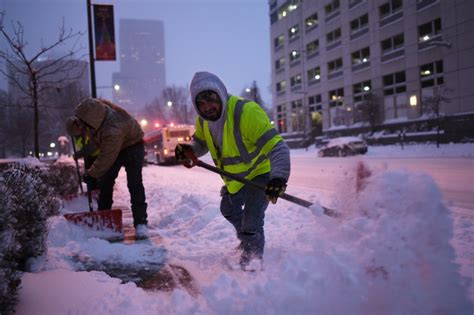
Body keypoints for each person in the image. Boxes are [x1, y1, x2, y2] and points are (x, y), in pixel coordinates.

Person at [175, 71, 290, 270]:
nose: (207, 107)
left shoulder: (245, 113)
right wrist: (190, 150)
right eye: (200, 104)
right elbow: (201, 142)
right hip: (236, 179)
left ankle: (252, 262)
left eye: (210, 99)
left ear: (220, 93)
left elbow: (278, 147)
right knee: (228, 209)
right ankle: (248, 239)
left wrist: (278, 178)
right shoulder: (203, 121)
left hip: (261, 174)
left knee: (252, 220)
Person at [74, 98, 149, 238]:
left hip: (133, 145)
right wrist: (81, 150)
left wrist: (91, 174)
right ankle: (104, 218)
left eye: (83, 123)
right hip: (117, 143)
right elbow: (96, 143)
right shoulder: (97, 118)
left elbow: (105, 158)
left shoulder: (111, 130)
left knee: (134, 183)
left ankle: (141, 223)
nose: (83, 127)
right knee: (106, 182)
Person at [66, 116, 100, 191]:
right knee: (90, 176)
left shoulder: (88, 130)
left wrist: (79, 154)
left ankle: (98, 191)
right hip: (90, 156)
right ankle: (93, 190)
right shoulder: (76, 135)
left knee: (97, 175)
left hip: (99, 155)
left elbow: (92, 146)